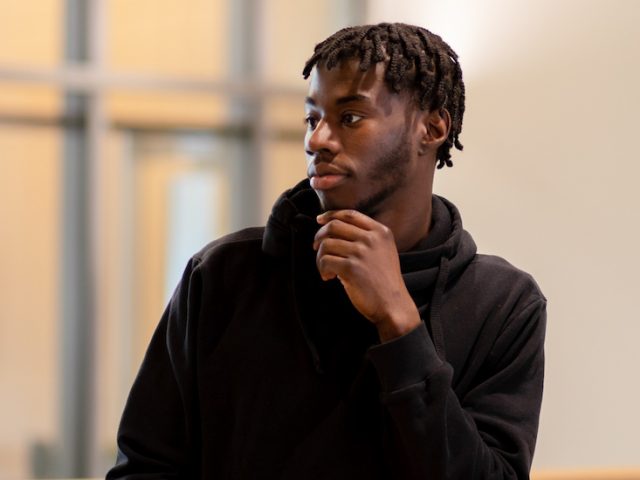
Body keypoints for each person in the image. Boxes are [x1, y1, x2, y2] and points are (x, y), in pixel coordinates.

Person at [107, 23, 546, 479]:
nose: (317, 140)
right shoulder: (222, 275)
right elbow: (144, 467)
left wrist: (400, 325)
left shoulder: (505, 304)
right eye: (312, 118)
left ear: (432, 127)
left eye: (350, 118)